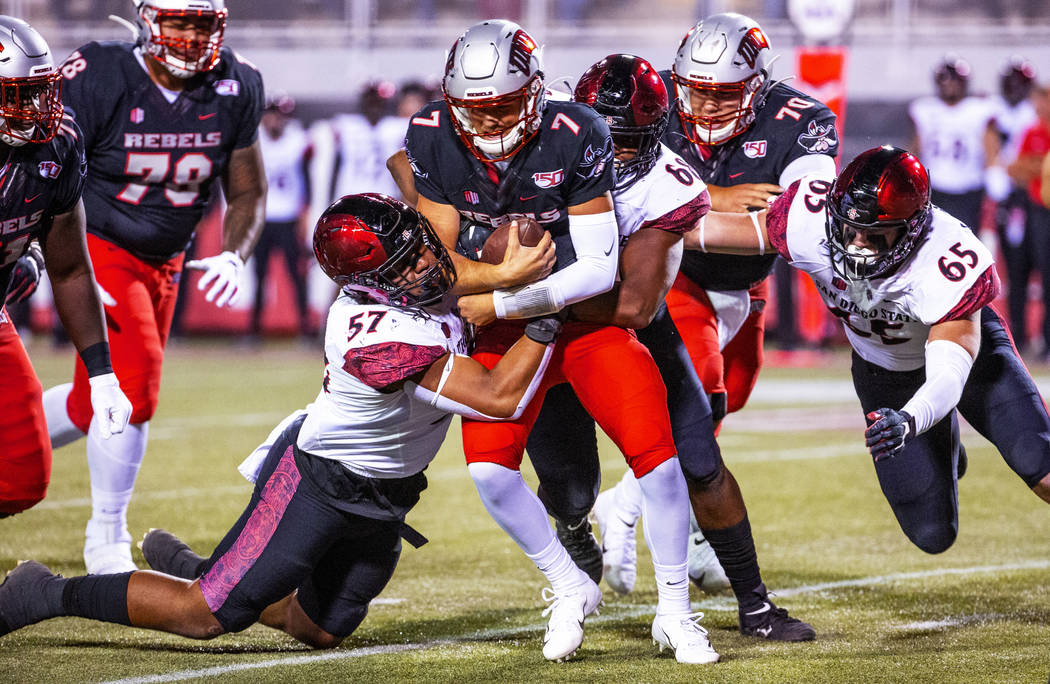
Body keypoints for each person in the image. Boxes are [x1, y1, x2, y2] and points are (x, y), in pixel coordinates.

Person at [0, 193, 564, 649]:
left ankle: (208, 566)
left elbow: (413, 176)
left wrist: (504, 263)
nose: (428, 265)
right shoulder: (375, 333)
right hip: (319, 481)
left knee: (319, 629)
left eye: (420, 246)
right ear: (373, 284)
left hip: (390, 491)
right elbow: (497, 397)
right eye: (407, 263)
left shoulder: (414, 289)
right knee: (208, 614)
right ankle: (47, 593)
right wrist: (545, 311)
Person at [405, 20, 709, 664]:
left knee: (659, 460)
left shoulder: (575, 133)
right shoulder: (432, 135)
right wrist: (499, 277)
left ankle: (676, 611)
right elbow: (438, 261)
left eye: (505, 105)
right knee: (489, 472)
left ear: (536, 92)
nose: (489, 123)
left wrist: (502, 296)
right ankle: (569, 585)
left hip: (582, 322)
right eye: (475, 108)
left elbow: (600, 269)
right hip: (507, 331)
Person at [525, 53, 814, 643]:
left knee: (701, 460)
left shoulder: (667, 182)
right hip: (556, 333)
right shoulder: (537, 155)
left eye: (629, 140)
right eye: (606, 137)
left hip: (626, 321)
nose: (616, 153)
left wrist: (527, 299)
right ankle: (576, 526)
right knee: (571, 486)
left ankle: (755, 606)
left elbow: (632, 306)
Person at [694, 145, 1050, 551]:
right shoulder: (808, 221)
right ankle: (945, 444)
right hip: (885, 372)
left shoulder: (945, 257)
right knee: (933, 535)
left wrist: (913, 420)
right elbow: (708, 231)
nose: (858, 245)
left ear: (912, 228)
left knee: (1042, 471)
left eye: (876, 236)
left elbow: (950, 374)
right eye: (850, 229)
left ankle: (937, 426)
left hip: (972, 364)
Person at [596, 12, 838, 593]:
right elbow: (622, 197)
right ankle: (625, 509)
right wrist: (717, 198)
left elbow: (796, 220)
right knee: (701, 401)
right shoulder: (647, 99)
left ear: (757, 84)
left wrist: (707, 213)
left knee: (730, 399)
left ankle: (651, 511)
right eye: (696, 90)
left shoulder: (801, 121)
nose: (703, 107)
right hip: (673, 274)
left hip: (746, 282)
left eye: (723, 94)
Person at [41, 0, 267, 575]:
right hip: (100, 248)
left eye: (203, 23)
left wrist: (235, 256)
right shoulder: (100, 74)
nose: (192, 37)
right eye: (179, 22)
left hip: (168, 260)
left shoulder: (236, 84)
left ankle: (12, 433)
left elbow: (247, 192)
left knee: (92, 400)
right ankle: (107, 534)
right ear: (148, 20)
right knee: (134, 390)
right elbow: (49, 165)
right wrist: (49, 250)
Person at [0, 16, 132, 518]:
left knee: (21, 476)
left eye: (40, 91)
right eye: (17, 95)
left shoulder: (56, 144)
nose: (35, 109)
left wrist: (102, 377)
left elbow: (72, 268)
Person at [984, 57, 1038, 350]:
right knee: (1014, 269)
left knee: (1040, 264)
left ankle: (1040, 337)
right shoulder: (993, 111)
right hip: (1008, 195)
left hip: (1037, 196)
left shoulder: (1037, 113)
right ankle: (1018, 335)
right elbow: (989, 150)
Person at [909, 55, 994, 233]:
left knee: (967, 240)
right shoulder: (924, 109)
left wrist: (993, 175)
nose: (949, 85)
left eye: (954, 81)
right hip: (934, 188)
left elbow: (991, 150)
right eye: (945, 80)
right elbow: (915, 147)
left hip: (968, 189)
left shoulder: (979, 109)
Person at [251, 92, 312, 340]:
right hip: (262, 218)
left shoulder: (297, 141)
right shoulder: (254, 141)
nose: (275, 120)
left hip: (288, 217)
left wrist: (304, 215)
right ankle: (252, 330)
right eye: (271, 115)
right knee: (259, 276)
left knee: (296, 276)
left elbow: (306, 181)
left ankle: (306, 329)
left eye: (280, 115)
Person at [1008, 84, 1050, 359]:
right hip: (1038, 209)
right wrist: (1041, 165)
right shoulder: (1032, 131)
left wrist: (1036, 165)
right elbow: (1015, 168)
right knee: (1033, 273)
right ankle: (1032, 341)